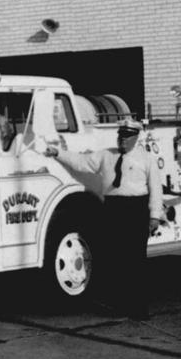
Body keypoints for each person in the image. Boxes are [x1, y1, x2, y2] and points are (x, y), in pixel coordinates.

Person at [45, 120, 167, 318]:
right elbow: (81, 163)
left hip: (135, 209)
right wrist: (58, 153)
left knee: (135, 260)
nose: (122, 140)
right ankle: (118, 305)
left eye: (127, 137)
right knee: (114, 258)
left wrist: (154, 216)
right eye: (120, 136)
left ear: (136, 138)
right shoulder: (106, 155)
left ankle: (138, 308)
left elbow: (156, 189)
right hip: (113, 209)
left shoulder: (146, 159)